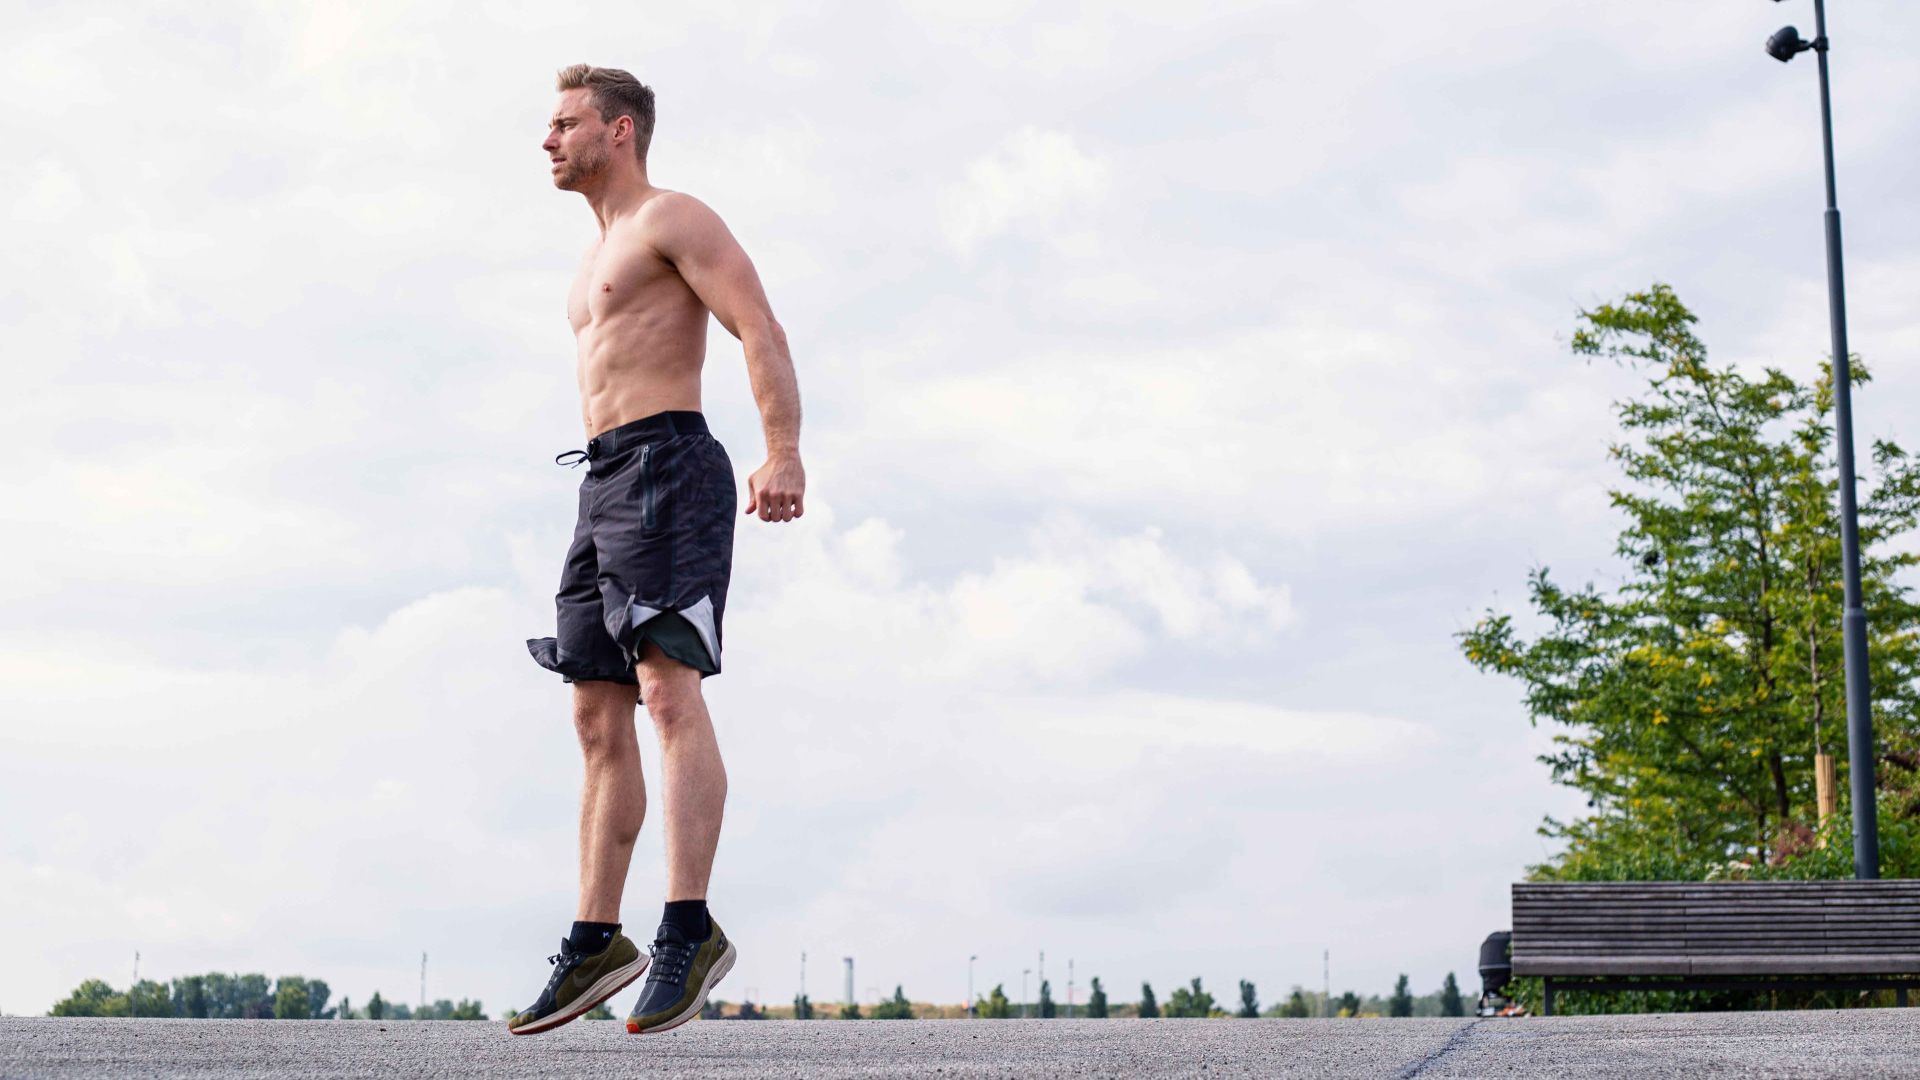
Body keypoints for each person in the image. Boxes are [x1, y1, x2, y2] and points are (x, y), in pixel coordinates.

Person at [507, 63, 805, 1037]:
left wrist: (783, 451)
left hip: (669, 467)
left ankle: (687, 926)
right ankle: (599, 937)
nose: (547, 140)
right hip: (600, 483)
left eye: (565, 123)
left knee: (668, 688)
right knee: (598, 714)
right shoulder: (589, 263)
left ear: (620, 129)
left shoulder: (674, 219)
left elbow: (755, 324)